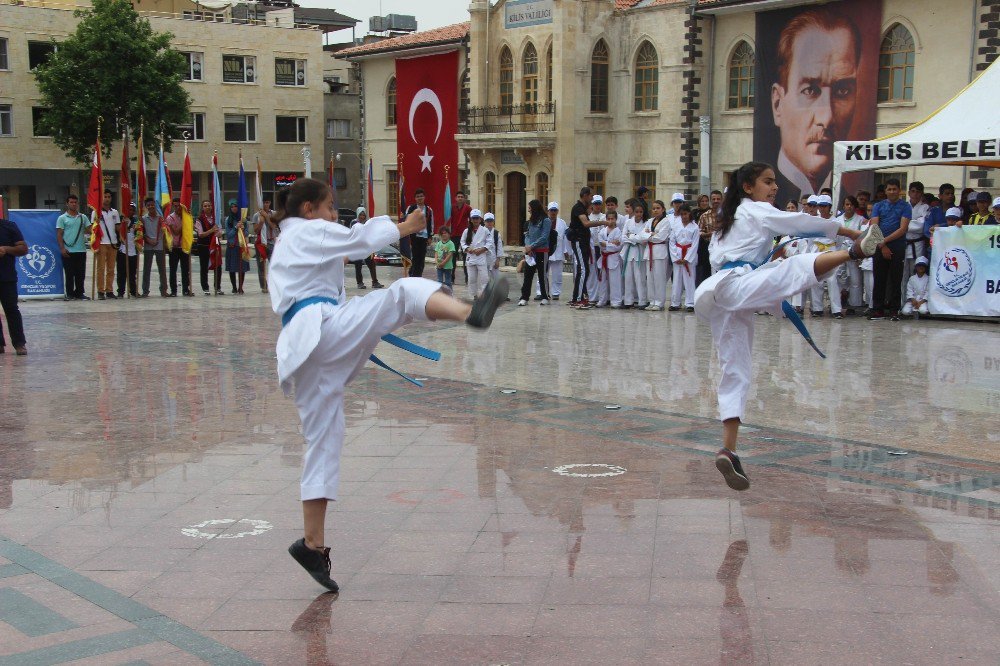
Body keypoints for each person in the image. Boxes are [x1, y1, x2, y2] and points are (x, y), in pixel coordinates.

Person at [267, 177, 508, 592]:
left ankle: (312, 545)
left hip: (303, 351)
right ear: (307, 209)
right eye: (328, 207)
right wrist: (405, 227)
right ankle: (469, 312)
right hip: (322, 329)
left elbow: (343, 247)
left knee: (323, 441)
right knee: (400, 295)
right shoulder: (306, 230)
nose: (331, 215)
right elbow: (358, 240)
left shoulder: (287, 244)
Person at [694, 161, 882, 491]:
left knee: (734, 369)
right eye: (768, 181)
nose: (775, 187)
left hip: (722, 294)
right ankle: (852, 252)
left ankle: (729, 449)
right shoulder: (754, 211)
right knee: (794, 268)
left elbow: (748, 255)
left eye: (774, 182)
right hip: (735, 284)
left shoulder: (728, 221)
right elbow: (799, 222)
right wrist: (850, 232)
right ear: (748, 188)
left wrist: (768, 262)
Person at [769, 9, 861, 204]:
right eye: (810, 90)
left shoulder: (848, 201)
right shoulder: (763, 202)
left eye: (842, 91)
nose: (826, 118)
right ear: (778, 104)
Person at [868, 178, 911, 321]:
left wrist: (885, 241)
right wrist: (882, 245)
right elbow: (874, 227)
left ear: (899, 190)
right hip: (879, 246)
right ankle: (878, 309)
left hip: (897, 246)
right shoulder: (878, 206)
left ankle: (894, 310)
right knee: (879, 278)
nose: (892, 192)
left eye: (895, 189)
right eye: (889, 189)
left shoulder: (905, 206)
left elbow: (903, 228)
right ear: (885, 191)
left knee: (895, 279)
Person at [807, 194, 842, 318]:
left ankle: (836, 309)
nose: (821, 209)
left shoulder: (837, 221)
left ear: (829, 207)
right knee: (817, 279)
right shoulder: (814, 220)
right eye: (819, 206)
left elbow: (840, 240)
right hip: (816, 249)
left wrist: (835, 251)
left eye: (824, 206)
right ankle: (817, 308)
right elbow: (810, 239)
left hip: (831, 249)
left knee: (832, 280)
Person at [568, 187, 602, 307]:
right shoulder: (578, 208)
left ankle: (577, 297)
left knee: (583, 270)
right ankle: (578, 299)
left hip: (583, 242)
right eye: (591, 196)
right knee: (583, 269)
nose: (592, 199)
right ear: (585, 195)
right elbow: (586, 223)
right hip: (579, 241)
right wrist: (603, 222)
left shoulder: (582, 208)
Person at [0, 215, 28, 355]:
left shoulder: (9, 226)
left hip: (6, 277)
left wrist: (6, 249)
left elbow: (23, 248)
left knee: (11, 309)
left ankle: (19, 343)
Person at [56, 194, 91, 300]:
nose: (73, 204)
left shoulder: (83, 217)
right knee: (69, 274)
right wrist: (62, 248)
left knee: (80, 274)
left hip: (80, 250)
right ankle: (70, 293)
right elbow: (59, 234)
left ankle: (80, 292)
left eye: (75, 202)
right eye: (71, 202)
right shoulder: (62, 218)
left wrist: (97, 223)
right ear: (67, 204)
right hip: (68, 250)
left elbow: (90, 230)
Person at [836, 195, 866, 314]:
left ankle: (855, 305)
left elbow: (862, 236)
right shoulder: (837, 220)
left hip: (854, 251)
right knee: (839, 275)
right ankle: (840, 300)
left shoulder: (860, 219)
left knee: (855, 279)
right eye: (847, 204)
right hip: (840, 250)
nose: (849, 207)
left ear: (855, 206)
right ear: (843, 206)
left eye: (851, 205)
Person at [518, 199, 551, 306]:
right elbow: (527, 235)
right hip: (531, 252)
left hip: (541, 251)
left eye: (530, 207)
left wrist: (532, 246)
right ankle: (524, 297)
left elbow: (544, 237)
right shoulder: (530, 221)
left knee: (542, 274)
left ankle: (545, 296)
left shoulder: (546, 220)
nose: (528, 210)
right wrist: (528, 247)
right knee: (528, 274)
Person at [669, 203, 699, 312]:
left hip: (689, 253)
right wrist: (675, 257)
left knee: (689, 279)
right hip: (677, 252)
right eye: (682, 214)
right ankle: (675, 303)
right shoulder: (676, 225)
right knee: (677, 279)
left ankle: (690, 303)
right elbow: (672, 241)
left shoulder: (695, 227)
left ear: (689, 214)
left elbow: (695, 244)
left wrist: (687, 258)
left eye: (685, 214)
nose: (684, 216)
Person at [621, 198, 650, 309]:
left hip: (640, 252)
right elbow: (623, 238)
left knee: (640, 277)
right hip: (629, 252)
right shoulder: (628, 222)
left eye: (641, 212)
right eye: (636, 211)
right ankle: (628, 301)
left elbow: (644, 239)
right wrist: (634, 238)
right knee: (628, 277)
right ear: (633, 211)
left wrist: (631, 237)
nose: (638, 214)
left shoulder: (646, 223)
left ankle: (642, 301)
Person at [901, 182, 929, 295]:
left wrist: (905, 224)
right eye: (913, 191)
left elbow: (921, 226)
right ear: (908, 193)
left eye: (918, 191)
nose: (915, 194)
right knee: (903, 276)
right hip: (904, 243)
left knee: (917, 274)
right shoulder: (903, 206)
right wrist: (913, 222)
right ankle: (902, 304)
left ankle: (917, 302)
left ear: (922, 193)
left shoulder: (925, 207)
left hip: (917, 245)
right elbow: (900, 225)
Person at [644, 199, 671, 311]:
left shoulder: (666, 221)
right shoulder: (649, 221)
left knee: (659, 278)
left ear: (663, 209)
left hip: (660, 251)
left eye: (658, 208)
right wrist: (652, 234)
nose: (655, 210)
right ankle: (652, 301)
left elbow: (661, 237)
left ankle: (659, 302)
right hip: (649, 251)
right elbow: (642, 235)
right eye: (654, 208)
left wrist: (649, 235)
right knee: (650, 278)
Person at [94, 189, 120, 300]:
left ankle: (109, 290)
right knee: (101, 268)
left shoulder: (115, 212)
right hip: (101, 243)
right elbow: (93, 228)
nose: (107, 199)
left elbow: (117, 228)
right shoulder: (96, 212)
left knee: (111, 269)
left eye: (109, 196)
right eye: (105, 196)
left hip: (112, 243)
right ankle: (100, 291)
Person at [166, 197, 193, 297]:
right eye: (175, 206)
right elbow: (176, 231)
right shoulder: (170, 218)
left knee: (185, 269)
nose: (177, 208)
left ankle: (186, 289)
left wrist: (187, 218)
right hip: (174, 247)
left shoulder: (186, 216)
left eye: (179, 206)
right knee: (173, 269)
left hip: (184, 246)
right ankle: (174, 291)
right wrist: (185, 222)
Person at [540, 202, 568, 300]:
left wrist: (566, 250)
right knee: (543, 273)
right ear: (548, 211)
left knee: (557, 274)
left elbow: (565, 237)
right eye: (551, 210)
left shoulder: (562, 222)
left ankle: (555, 293)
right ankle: (541, 292)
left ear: (557, 211)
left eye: (555, 210)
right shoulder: (543, 221)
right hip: (545, 250)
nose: (553, 212)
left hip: (558, 251)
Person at [140, 198, 167, 298]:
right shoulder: (143, 219)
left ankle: (163, 290)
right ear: (146, 207)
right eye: (148, 205)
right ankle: (145, 290)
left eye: (152, 204)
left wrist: (157, 240)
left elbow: (163, 231)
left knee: (162, 269)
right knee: (146, 269)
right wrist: (149, 241)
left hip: (159, 246)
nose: (151, 207)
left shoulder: (161, 218)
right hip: (148, 246)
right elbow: (141, 233)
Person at [195, 200, 223, 295]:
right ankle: (205, 288)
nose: (207, 207)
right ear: (202, 208)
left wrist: (218, 233)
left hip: (214, 245)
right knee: (204, 267)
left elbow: (220, 233)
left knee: (218, 266)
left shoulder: (216, 218)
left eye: (209, 205)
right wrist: (211, 230)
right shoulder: (199, 219)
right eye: (205, 206)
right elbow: (201, 234)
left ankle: (217, 287)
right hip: (203, 246)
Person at [350, 208, 383, 289]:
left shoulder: (368, 223)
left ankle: (375, 282)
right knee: (358, 265)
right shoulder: (354, 222)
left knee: (371, 264)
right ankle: (360, 283)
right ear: (357, 214)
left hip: (367, 247)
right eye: (360, 215)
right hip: (357, 248)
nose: (362, 216)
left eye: (363, 215)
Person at [461, 209, 490, 298]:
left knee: (484, 278)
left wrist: (482, 249)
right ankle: (474, 295)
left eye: (477, 218)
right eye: (473, 218)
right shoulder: (466, 231)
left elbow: (489, 242)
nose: (475, 220)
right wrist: (467, 248)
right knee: (471, 279)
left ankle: (484, 295)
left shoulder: (485, 230)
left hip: (481, 256)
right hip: (471, 257)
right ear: (471, 219)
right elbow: (462, 242)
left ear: (480, 219)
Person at [405, 189, 434, 278]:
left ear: (424, 197)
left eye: (421, 196)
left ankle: (419, 275)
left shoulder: (428, 209)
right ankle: (412, 274)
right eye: (418, 197)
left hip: (424, 237)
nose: (420, 198)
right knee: (415, 256)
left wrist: (430, 236)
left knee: (422, 257)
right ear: (415, 198)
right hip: (414, 236)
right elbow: (406, 221)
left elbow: (431, 223)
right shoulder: (411, 208)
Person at [596, 212, 623, 307]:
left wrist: (606, 243)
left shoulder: (618, 231)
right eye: (609, 219)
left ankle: (616, 301)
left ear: (616, 220)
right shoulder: (602, 231)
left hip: (613, 257)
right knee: (602, 280)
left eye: (612, 219)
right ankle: (602, 300)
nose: (610, 221)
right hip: (604, 257)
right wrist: (611, 243)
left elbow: (618, 247)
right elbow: (600, 243)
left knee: (615, 280)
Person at [224, 199, 249, 295]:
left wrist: (242, 228)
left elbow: (247, 233)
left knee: (242, 268)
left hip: (241, 246)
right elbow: (228, 234)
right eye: (232, 206)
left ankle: (240, 287)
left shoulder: (244, 219)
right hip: (232, 246)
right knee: (232, 268)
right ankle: (234, 287)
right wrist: (235, 228)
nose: (234, 208)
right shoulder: (228, 220)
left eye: (236, 206)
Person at [697, 191, 722, 285]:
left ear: (722, 200)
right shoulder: (704, 215)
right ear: (711, 201)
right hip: (709, 247)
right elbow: (699, 232)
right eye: (714, 199)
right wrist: (709, 234)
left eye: (718, 199)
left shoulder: (728, 214)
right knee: (708, 273)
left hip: (724, 246)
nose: (716, 201)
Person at [448, 191, 472, 284]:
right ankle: (451, 277)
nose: (460, 198)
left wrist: (470, 233)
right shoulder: (451, 208)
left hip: (465, 236)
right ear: (455, 198)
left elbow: (472, 220)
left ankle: (467, 278)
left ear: (464, 198)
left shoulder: (468, 208)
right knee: (452, 257)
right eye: (458, 196)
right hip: (454, 235)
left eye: (462, 196)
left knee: (465, 257)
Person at [115, 204, 139, 298]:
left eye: (133, 210)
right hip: (122, 250)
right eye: (129, 209)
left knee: (132, 273)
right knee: (121, 273)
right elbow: (118, 230)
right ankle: (121, 291)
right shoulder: (121, 220)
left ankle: (133, 291)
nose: (131, 211)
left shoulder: (136, 221)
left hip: (133, 250)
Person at [586, 195, 606, 303]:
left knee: (601, 271)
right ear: (592, 205)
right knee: (592, 271)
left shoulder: (604, 217)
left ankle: (601, 295)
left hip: (601, 247)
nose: (597, 206)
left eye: (599, 204)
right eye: (595, 204)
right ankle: (592, 294)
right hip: (591, 247)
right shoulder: (588, 217)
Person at [253, 198, 274, 294]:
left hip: (272, 242)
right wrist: (261, 222)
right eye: (264, 202)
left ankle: (275, 284)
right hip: (260, 243)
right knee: (261, 266)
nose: (266, 204)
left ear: (270, 203)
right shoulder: (256, 215)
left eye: (267, 202)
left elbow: (274, 226)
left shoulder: (274, 213)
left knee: (274, 264)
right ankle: (264, 286)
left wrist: (267, 217)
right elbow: (256, 230)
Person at [484, 213, 506, 281]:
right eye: (488, 221)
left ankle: (495, 291)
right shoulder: (481, 232)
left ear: (493, 222)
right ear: (484, 222)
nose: (489, 223)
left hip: (493, 259)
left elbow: (499, 247)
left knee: (496, 279)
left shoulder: (496, 233)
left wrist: (498, 260)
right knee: (484, 279)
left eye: (491, 221)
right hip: (483, 259)